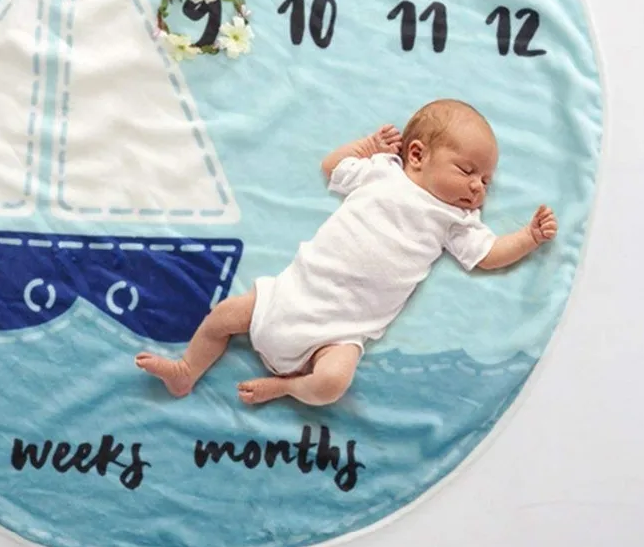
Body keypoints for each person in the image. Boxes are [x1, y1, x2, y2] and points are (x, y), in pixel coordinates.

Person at [135, 98, 558, 407]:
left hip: (340, 333)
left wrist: (528, 237)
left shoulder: (455, 219)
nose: (478, 187)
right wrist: (368, 145)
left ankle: (287, 387)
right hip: (291, 294)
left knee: (332, 384)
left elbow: (488, 254)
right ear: (416, 155)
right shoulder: (383, 172)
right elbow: (333, 166)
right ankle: (186, 371)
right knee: (224, 316)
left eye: (486, 181)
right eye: (468, 171)